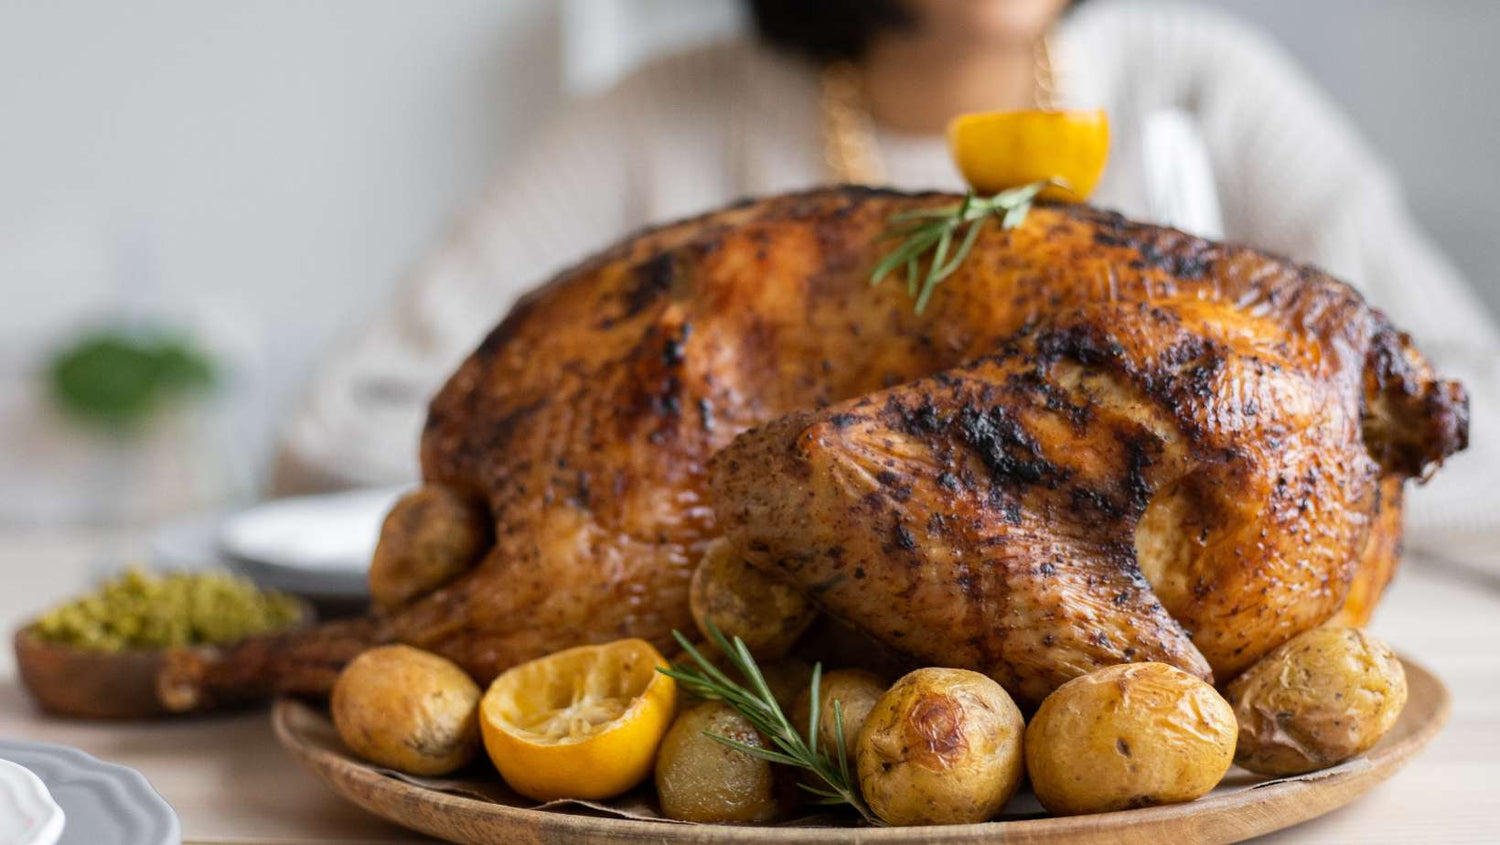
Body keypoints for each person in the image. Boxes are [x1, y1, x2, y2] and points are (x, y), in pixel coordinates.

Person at [274, 0, 1497, 538]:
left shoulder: (1203, 86)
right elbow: (340, 429)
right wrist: (650, 479)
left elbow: (1464, 398)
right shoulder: (662, 119)